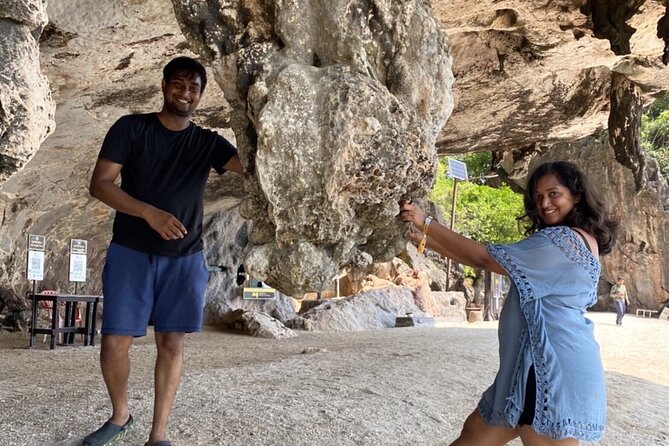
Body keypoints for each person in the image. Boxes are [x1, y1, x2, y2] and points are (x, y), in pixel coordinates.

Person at [400, 161, 618, 446]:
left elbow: (485, 258)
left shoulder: (563, 241)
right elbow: (494, 263)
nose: (545, 203)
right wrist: (427, 240)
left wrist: (425, 221)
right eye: (539, 197)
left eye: (554, 194)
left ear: (576, 196)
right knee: (473, 435)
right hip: (530, 368)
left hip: (547, 373)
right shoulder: (577, 241)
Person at [85, 56, 242, 446]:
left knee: (171, 343)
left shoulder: (208, 142)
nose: (185, 92)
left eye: (194, 87)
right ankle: (121, 416)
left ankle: (158, 435)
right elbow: (100, 184)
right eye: (178, 83)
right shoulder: (131, 128)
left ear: (202, 96)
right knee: (115, 341)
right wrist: (148, 213)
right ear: (163, 85)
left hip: (186, 258)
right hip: (131, 251)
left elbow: (254, 166)